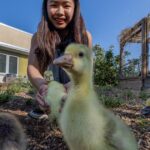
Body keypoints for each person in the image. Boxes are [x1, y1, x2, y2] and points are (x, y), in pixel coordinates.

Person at [27, 0, 92, 119]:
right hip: (49, 87)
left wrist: (72, 86)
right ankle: (46, 103)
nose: (60, 12)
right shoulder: (38, 37)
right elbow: (33, 67)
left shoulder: (85, 36)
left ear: (75, 8)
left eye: (66, 5)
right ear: (46, 7)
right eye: (54, 5)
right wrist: (42, 86)